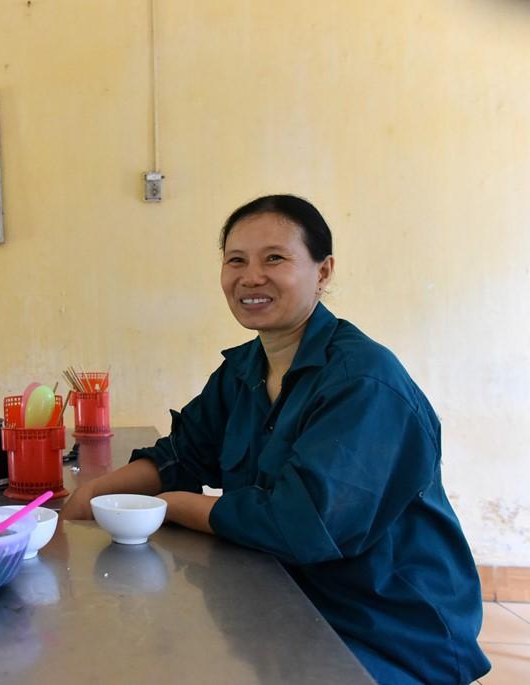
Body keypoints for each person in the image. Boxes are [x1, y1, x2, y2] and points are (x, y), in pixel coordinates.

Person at [61, 195, 490, 684]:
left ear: (323, 272)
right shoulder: (244, 368)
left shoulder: (363, 382)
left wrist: (168, 505)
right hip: (283, 594)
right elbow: (183, 452)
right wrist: (95, 493)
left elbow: (300, 525)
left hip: (382, 627)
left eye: (275, 259)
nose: (250, 277)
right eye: (236, 260)